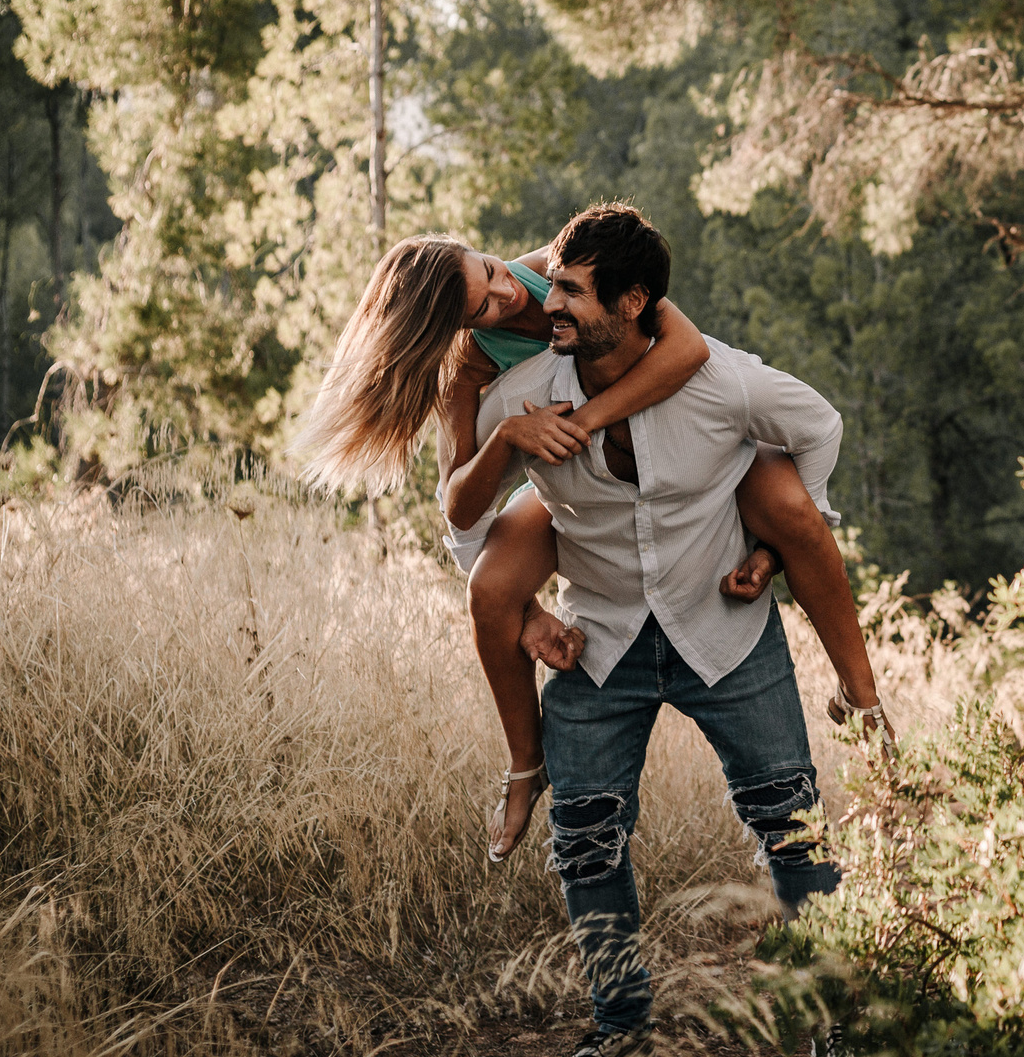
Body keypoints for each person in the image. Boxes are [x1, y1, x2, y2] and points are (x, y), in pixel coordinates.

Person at [293, 226, 885, 867]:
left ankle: (863, 698)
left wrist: (584, 421)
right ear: (457, 330)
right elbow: (460, 507)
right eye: (483, 307)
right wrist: (511, 447)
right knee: (490, 589)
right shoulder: (470, 366)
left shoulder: (559, 265)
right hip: (568, 480)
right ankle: (525, 765)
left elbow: (686, 349)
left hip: (672, 448)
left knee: (795, 511)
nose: (507, 294)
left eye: (489, 268)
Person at [447, 202, 875, 1057]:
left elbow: (821, 426)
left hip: (723, 629)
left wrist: (772, 549)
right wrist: (527, 615)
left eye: (571, 291)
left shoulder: (722, 382)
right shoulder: (520, 399)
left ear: (634, 301)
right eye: (552, 286)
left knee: (791, 824)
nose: (546, 303)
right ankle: (619, 1028)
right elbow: (467, 522)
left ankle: (838, 1021)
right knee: (585, 839)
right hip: (597, 640)